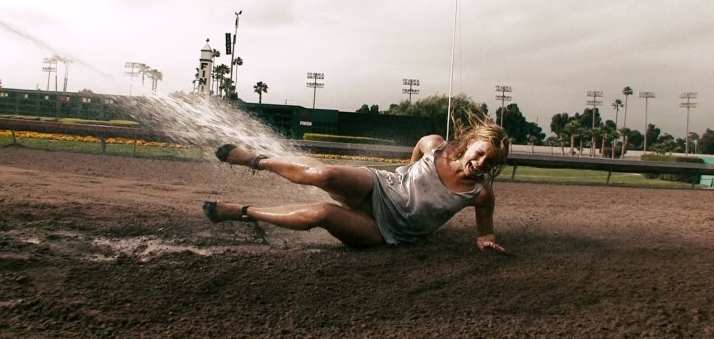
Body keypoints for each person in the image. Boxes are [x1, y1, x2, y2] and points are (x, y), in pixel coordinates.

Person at [203, 114, 510, 252]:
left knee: (323, 213)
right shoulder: (436, 145)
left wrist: (487, 241)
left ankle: (242, 211)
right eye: (481, 153)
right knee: (326, 175)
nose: (482, 163)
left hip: (384, 231)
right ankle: (256, 161)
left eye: (491, 163)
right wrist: (411, 170)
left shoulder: (480, 194)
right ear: (471, 143)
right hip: (379, 186)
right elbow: (416, 152)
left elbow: (485, 233)